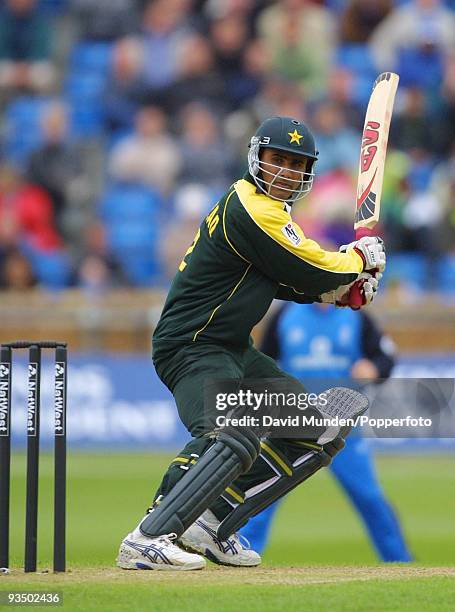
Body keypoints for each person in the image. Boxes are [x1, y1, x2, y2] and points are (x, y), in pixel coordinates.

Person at [117, 115, 386, 571]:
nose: (284, 170)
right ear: (255, 158)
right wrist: (356, 260)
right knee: (229, 429)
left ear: (307, 175)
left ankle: (212, 522)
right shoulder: (249, 205)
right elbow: (312, 266)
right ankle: (150, 535)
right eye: (276, 158)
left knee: (317, 430)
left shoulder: (273, 218)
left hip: (233, 349)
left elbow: (293, 281)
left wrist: (342, 291)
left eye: (295, 164)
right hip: (192, 346)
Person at [239, 301, 413, 562]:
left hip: (344, 431)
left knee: (369, 498)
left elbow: (385, 357)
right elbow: (261, 361)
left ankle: (400, 563)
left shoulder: (357, 317)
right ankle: (241, 554)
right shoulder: (285, 315)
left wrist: (374, 369)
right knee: (262, 497)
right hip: (292, 426)